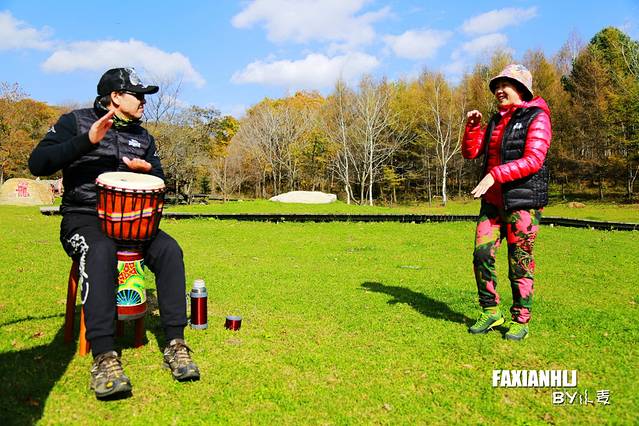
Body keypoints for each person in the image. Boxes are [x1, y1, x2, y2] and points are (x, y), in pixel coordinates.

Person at [29, 68, 200, 398]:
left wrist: (148, 171)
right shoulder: (75, 122)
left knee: (170, 250)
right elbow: (38, 163)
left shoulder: (144, 137)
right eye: (139, 96)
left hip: (134, 222)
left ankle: (176, 343)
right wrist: (86, 141)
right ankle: (105, 356)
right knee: (100, 250)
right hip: (83, 219)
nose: (144, 102)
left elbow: (160, 181)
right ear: (116, 97)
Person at [462, 64, 552, 341]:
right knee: (482, 255)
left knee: (519, 261)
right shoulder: (495, 120)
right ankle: (490, 311)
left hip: (523, 202)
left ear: (521, 89)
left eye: (505, 85)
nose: (499, 91)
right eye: (497, 86)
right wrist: (473, 127)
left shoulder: (537, 117)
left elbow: (533, 160)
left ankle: (520, 319)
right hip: (492, 203)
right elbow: (471, 153)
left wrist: (495, 175)